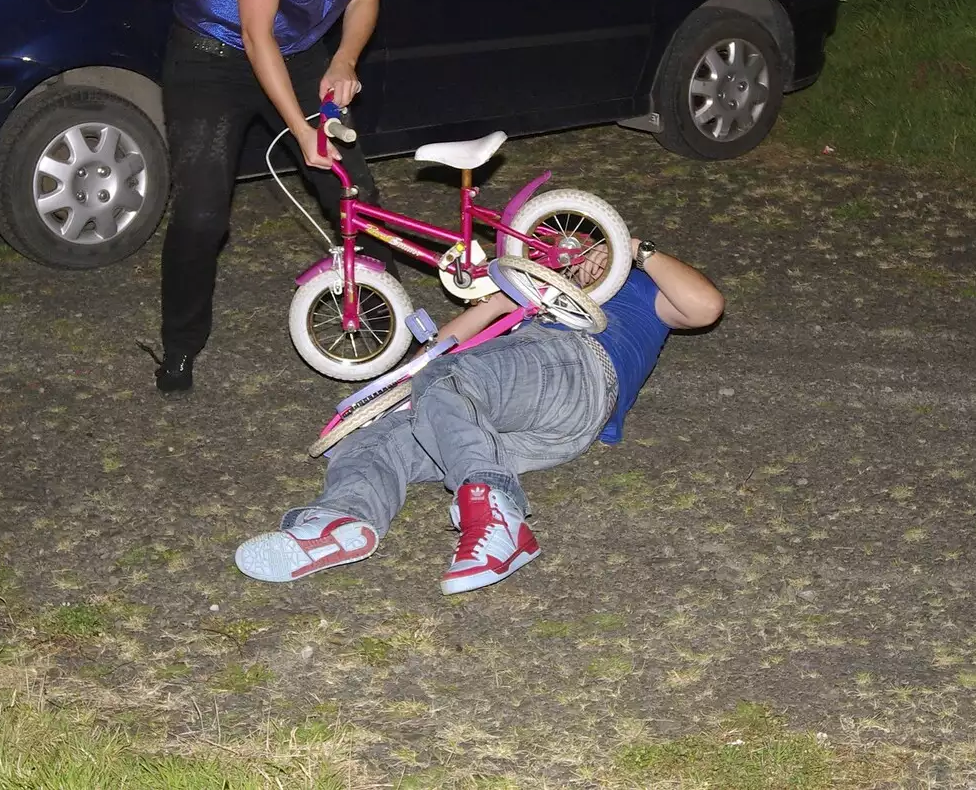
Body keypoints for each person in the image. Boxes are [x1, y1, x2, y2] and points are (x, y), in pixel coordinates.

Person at [154, 0, 434, 393]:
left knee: (356, 196)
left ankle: (393, 335)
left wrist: (344, 61)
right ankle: (179, 346)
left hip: (303, 53)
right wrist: (300, 128)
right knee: (202, 215)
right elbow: (255, 32)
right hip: (211, 58)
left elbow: (361, 4)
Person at [233, 238, 725, 594]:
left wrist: (638, 249)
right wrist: (501, 298)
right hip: (540, 426)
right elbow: (442, 350)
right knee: (377, 436)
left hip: (577, 366)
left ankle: (495, 511)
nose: (580, 258)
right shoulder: (533, 301)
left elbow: (706, 307)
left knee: (447, 381)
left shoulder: (639, 289)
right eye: (568, 253)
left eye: (591, 246)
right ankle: (341, 521)